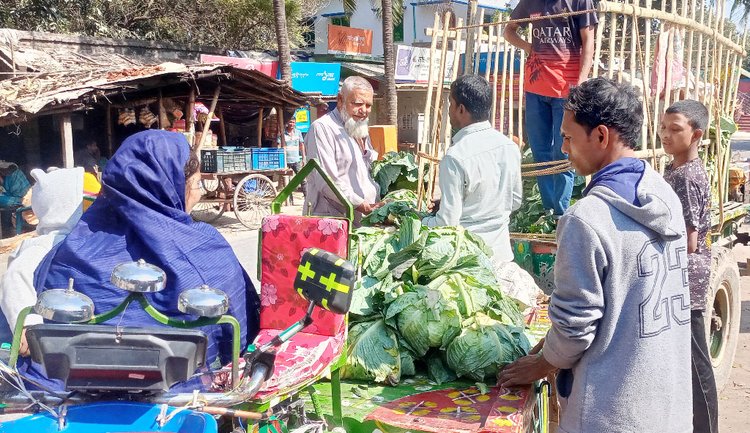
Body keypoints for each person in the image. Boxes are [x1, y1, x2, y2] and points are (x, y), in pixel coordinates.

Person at [498, 77, 693, 433]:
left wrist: (542, 364)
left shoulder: (586, 219)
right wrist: (548, 344)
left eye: (569, 137)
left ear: (601, 136)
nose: (562, 148)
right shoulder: (664, 195)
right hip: (666, 406)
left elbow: (576, 329)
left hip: (610, 412)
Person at [32, 130, 260, 377]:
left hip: (71, 393)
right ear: (170, 186)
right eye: (195, 184)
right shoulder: (204, 247)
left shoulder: (70, 250)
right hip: (189, 394)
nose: (199, 193)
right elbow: (239, 329)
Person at [504, 0, 597, 217]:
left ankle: (561, 212)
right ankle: (548, 210)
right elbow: (509, 32)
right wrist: (528, 46)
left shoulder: (581, 2)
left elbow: (588, 43)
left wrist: (580, 83)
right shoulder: (530, 2)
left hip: (566, 90)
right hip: (535, 87)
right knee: (540, 151)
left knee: (562, 151)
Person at [660, 99, 717, 433]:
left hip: (688, 280)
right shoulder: (677, 168)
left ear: (696, 134)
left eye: (675, 130)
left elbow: (689, 240)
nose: (666, 135)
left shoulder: (685, 176)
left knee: (697, 364)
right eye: (664, 128)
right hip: (685, 278)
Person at [422, 75, 522, 264]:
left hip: (468, 261)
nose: (449, 111)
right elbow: (514, 201)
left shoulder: (455, 157)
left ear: (461, 109)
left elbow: (447, 223)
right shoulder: (509, 146)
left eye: (451, 104)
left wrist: (420, 221)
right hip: (502, 255)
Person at [0, 167, 93, 353]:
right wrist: (28, 325)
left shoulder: (87, 240)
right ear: (65, 207)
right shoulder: (43, 246)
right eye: (90, 204)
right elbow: (15, 281)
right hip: (42, 337)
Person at [305, 76, 381, 225]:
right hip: (332, 222)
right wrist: (361, 204)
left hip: (361, 220)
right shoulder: (322, 128)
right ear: (340, 100)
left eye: (368, 105)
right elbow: (326, 180)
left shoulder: (360, 128)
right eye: (358, 103)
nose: (364, 111)